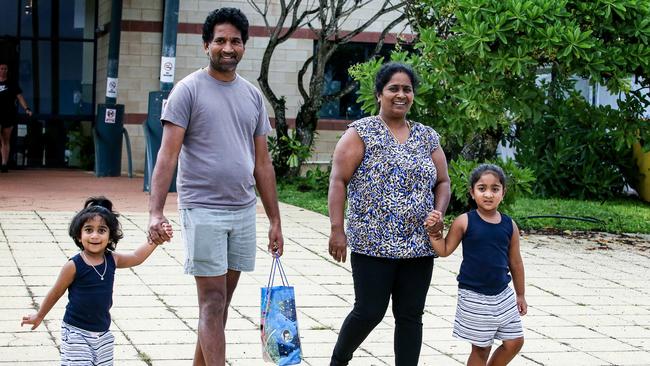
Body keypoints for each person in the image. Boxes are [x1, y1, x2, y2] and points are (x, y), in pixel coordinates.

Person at [146, 7, 284, 366]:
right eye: (220, 40)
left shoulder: (252, 96)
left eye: (235, 41)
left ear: (244, 46)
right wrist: (155, 211)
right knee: (211, 302)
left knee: (221, 305)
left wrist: (275, 220)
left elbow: (263, 165)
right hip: (203, 209)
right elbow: (166, 156)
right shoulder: (187, 91)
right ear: (206, 44)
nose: (228, 47)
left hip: (242, 210)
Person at [328, 62, 451, 366]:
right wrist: (336, 229)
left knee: (410, 316)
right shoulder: (361, 132)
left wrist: (438, 212)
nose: (401, 94)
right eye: (393, 88)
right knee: (369, 310)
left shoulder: (426, 136)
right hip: (372, 243)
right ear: (379, 94)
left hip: (418, 245)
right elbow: (338, 180)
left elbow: (443, 181)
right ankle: (339, 360)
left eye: (406, 89)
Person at [21, 196, 172, 365]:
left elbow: (137, 257)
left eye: (101, 230)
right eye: (88, 230)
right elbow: (56, 292)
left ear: (110, 236)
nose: (94, 235)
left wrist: (157, 239)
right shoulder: (73, 265)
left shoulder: (112, 260)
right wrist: (39, 315)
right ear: (79, 236)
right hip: (75, 332)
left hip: (103, 333)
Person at [425, 164, 527, 366]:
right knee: (481, 348)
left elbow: (515, 261)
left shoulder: (509, 225)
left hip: (502, 294)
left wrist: (520, 294)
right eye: (482, 188)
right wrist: (434, 233)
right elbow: (444, 250)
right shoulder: (464, 221)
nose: (488, 194)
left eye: (495, 189)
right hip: (474, 296)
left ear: (503, 193)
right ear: (472, 192)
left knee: (515, 341)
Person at [0, 63, 32, 172]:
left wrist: (27, 108)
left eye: (5, 69)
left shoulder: (12, 84)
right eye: (1, 68)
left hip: (8, 114)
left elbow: (20, 97)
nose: (3, 70)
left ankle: (4, 164)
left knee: (5, 139)